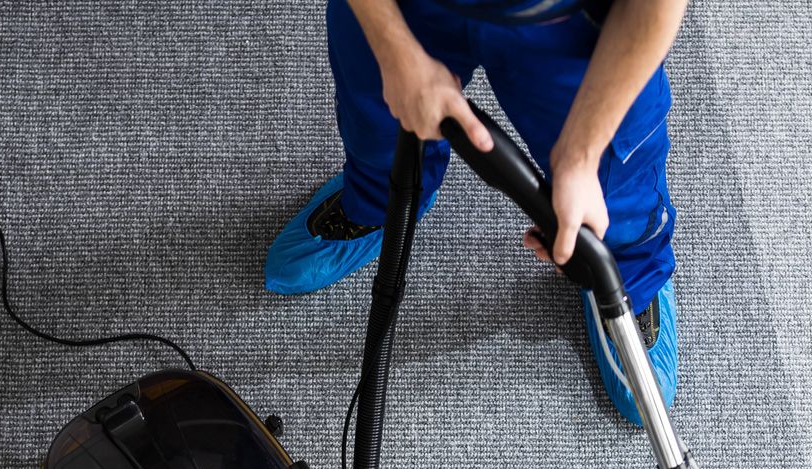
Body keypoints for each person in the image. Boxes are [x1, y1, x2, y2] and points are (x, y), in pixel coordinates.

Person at [265, 0, 686, 425]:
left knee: (614, 190)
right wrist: (394, 49)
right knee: (381, 127)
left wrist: (580, 154)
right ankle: (377, 204)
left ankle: (626, 274)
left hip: (570, 21)